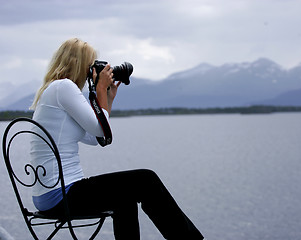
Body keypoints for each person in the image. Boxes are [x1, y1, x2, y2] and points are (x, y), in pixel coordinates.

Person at [30, 38, 204, 240]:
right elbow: (100, 130)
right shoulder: (64, 87)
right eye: (90, 65)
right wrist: (100, 89)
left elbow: (95, 138)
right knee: (145, 179)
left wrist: (108, 98)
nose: (92, 71)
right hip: (62, 194)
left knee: (124, 198)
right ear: (79, 64)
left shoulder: (56, 90)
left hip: (50, 195)